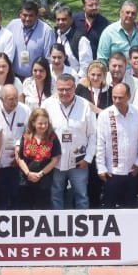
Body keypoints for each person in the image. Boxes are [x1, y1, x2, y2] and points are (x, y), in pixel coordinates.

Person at [41, 74, 93, 210]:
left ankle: (83, 226)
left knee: (81, 196)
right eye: (61, 89)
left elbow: (93, 135)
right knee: (56, 194)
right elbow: (40, 132)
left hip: (79, 161)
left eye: (68, 89)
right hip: (55, 162)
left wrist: (87, 159)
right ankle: (58, 226)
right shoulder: (47, 105)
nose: (64, 93)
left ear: (75, 87)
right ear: (56, 89)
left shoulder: (85, 105)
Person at [96, 83, 138, 208]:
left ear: (129, 96)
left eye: (120, 97)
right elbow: (100, 142)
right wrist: (101, 167)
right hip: (112, 172)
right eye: (114, 97)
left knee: (130, 208)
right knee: (109, 208)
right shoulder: (104, 115)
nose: (117, 101)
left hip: (132, 170)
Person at [14, 108, 60, 209]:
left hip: (44, 181)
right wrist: (28, 173)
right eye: (40, 123)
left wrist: (40, 174)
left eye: (45, 123)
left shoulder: (52, 137)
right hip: (26, 180)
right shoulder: (26, 136)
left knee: (42, 209)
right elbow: (20, 158)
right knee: (25, 209)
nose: (43, 126)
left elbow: (55, 159)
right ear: (33, 122)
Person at [6, 1, 53, 79]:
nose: (27, 19)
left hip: (36, 79)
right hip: (14, 77)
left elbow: (49, 59)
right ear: (20, 14)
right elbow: (0, 34)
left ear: (37, 16)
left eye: (31, 16)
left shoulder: (46, 31)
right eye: (24, 15)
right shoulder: (12, 25)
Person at [50, 6, 93, 76]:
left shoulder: (81, 39)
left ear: (71, 20)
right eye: (58, 19)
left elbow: (86, 66)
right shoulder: (53, 35)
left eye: (64, 19)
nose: (60, 22)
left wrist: (76, 81)